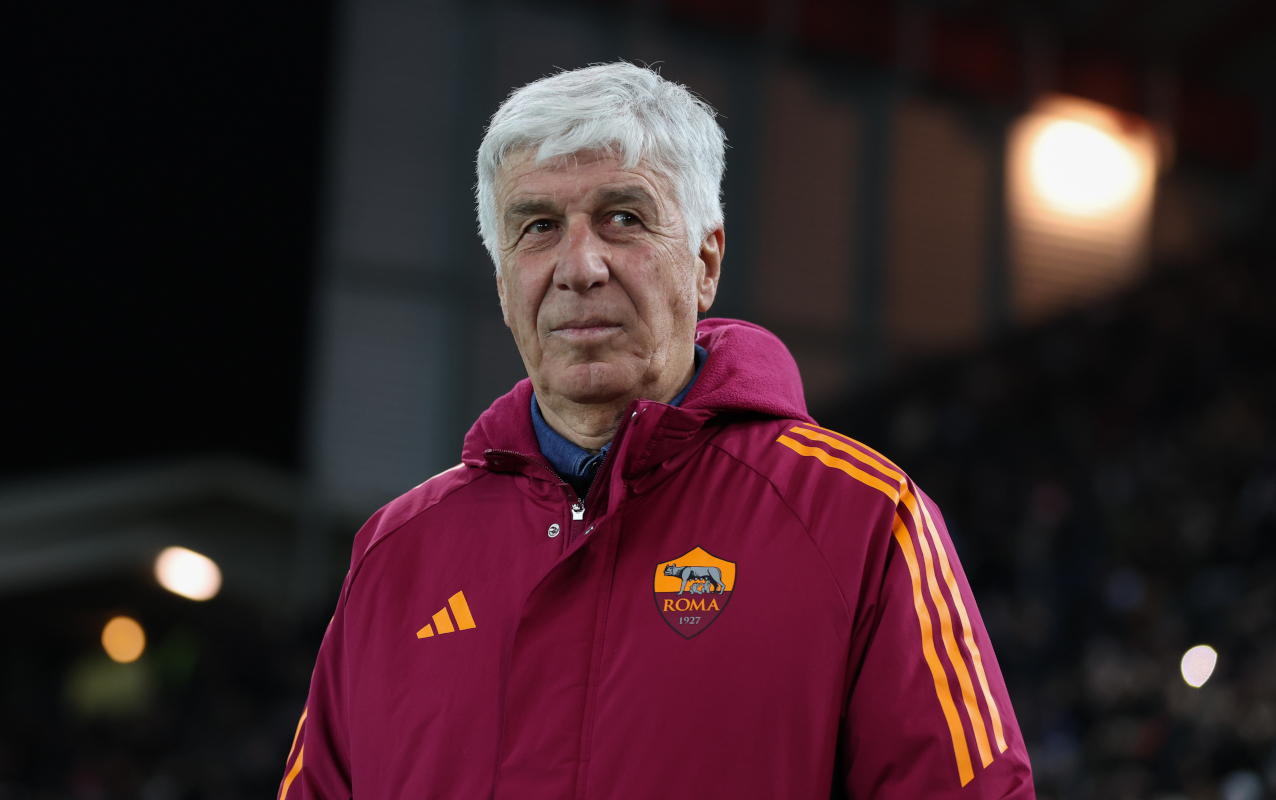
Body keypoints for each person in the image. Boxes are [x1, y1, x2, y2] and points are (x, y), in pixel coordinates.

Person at [279, 62, 1034, 798]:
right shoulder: (393, 555)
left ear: (706, 261)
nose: (579, 266)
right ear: (503, 283)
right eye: (538, 226)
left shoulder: (864, 520)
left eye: (623, 218)